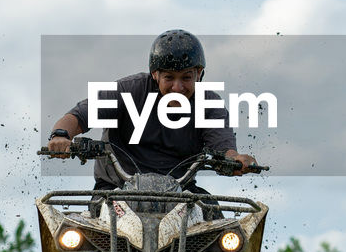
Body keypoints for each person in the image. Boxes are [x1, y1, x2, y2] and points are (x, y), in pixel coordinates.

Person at [47, 30, 257, 196]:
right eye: (169, 78)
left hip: (180, 195)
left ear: (199, 74)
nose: (177, 87)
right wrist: (61, 135)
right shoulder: (129, 90)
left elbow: (225, 149)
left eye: (186, 77)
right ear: (155, 74)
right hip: (115, 191)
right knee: (79, 237)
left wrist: (236, 159)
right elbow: (79, 116)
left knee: (219, 228)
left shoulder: (210, 105)